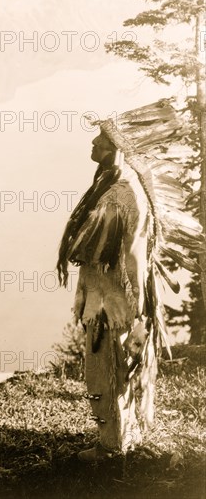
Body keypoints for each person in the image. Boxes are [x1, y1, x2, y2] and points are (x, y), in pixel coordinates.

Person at [56, 99, 203, 462]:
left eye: (100, 142)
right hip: (114, 296)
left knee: (109, 367)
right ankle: (126, 436)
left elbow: (131, 252)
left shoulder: (121, 194)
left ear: (117, 150)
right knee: (122, 364)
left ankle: (111, 448)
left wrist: (135, 302)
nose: (93, 146)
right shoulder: (119, 184)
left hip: (114, 301)